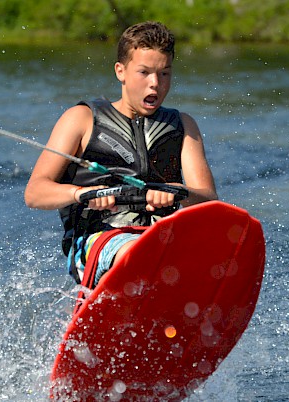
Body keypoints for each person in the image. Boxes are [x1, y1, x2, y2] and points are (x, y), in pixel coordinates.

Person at [24, 21, 217, 287]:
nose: (155, 85)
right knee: (135, 252)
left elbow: (208, 201)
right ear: (121, 71)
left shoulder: (183, 126)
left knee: (200, 254)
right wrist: (80, 194)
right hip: (99, 241)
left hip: (162, 238)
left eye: (164, 74)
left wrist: (177, 191)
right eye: (144, 72)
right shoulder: (81, 119)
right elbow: (34, 192)